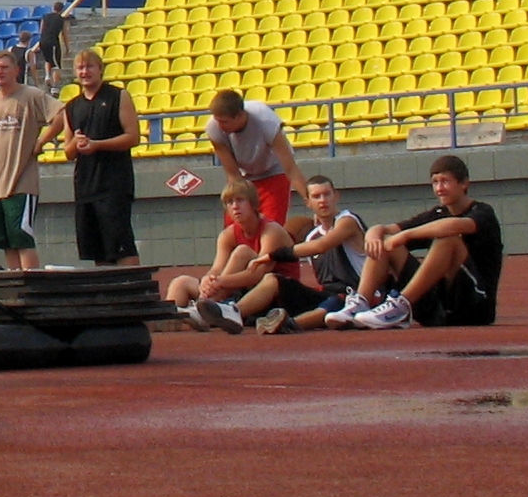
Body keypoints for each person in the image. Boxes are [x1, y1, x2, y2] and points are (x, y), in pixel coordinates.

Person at [328, 154, 504, 331]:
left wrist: (406, 235)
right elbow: (386, 229)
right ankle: (361, 302)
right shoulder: (437, 213)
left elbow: (453, 226)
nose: (439, 188)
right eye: (435, 182)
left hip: (474, 307)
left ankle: (400, 305)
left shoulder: (483, 212)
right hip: (437, 308)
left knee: (448, 239)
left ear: (464, 184)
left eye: (445, 181)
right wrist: (373, 234)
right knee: (387, 243)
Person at [0, 48, 56, 270]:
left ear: (16, 69)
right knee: (5, 240)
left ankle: (32, 286)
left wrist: (41, 142)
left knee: (21, 236)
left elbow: (61, 116)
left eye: (4, 67)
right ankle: (15, 281)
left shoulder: (31, 95)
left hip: (21, 180)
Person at [165, 179, 287, 334]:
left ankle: (201, 308)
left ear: (254, 204)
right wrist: (208, 280)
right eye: (230, 202)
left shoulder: (271, 230)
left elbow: (257, 273)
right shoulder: (228, 234)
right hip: (237, 289)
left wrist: (219, 281)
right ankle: (168, 320)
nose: (235, 206)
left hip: (271, 293)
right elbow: (217, 268)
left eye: (240, 200)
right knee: (180, 282)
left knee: (242, 252)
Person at [55, 50, 141, 268]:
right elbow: (68, 151)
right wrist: (78, 142)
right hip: (86, 186)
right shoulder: (72, 106)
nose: (85, 72)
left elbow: (133, 137)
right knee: (98, 250)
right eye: (80, 68)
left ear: (100, 69)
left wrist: (97, 145)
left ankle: (134, 293)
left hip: (114, 184)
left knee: (121, 245)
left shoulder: (118, 96)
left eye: (89, 66)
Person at [255, 172, 368, 334]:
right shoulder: (311, 237)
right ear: (308, 203)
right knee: (273, 280)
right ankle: (234, 312)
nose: (322, 200)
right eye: (316, 196)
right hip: (327, 295)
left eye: (326, 194)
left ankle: (289, 324)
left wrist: (273, 255)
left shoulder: (347, 220)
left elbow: (322, 246)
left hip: (358, 294)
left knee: (333, 304)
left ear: (336, 196)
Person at [205, 91, 310, 230]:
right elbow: (233, 176)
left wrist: (309, 199)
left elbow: (290, 168)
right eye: (217, 121)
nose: (220, 126)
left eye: (224, 122)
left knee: (271, 227)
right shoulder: (214, 128)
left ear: (240, 116)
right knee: (235, 228)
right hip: (245, 177)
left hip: (273, 172)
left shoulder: (266, 121)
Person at [35, 2, 70, 87]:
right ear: (62, 9)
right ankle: (55, 86)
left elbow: (41, 31)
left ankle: (47, 76)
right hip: (53, 42)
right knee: (56, 65)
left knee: (48, 60)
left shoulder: (45, 17)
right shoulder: (62, 20)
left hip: (43, 42)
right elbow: (64, 35)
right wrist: (67, 48)